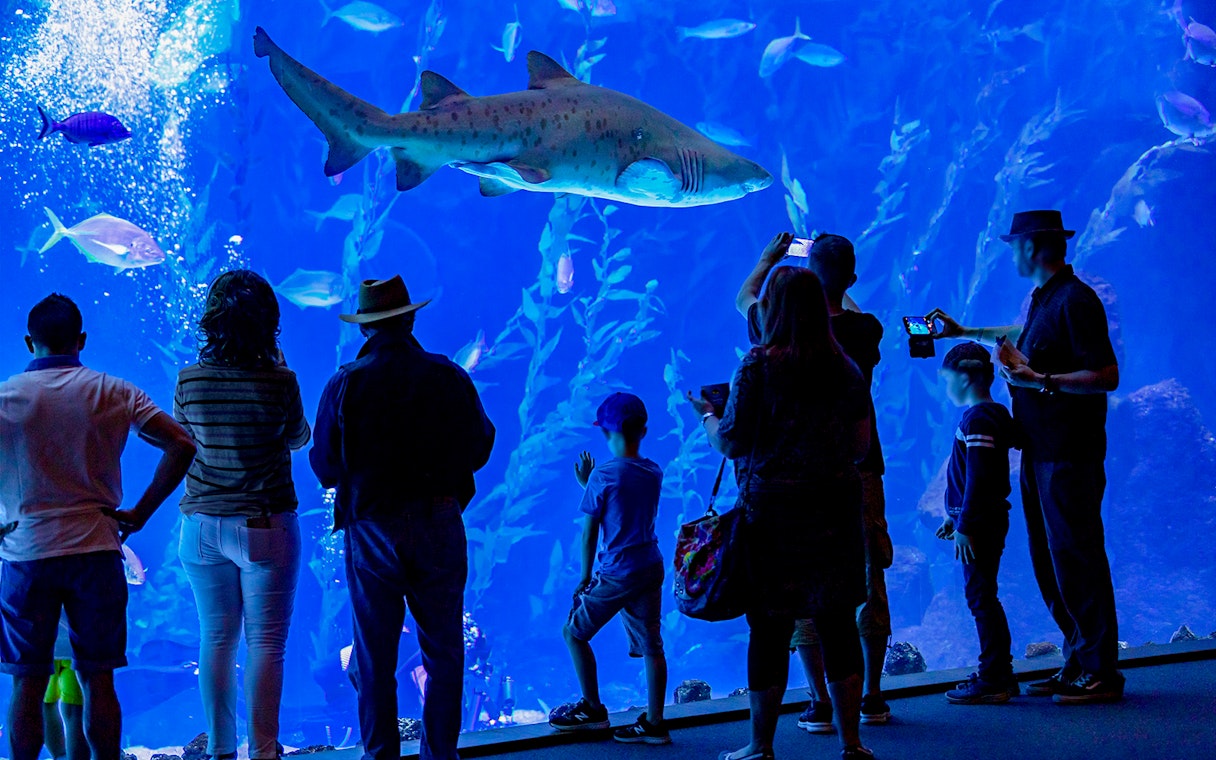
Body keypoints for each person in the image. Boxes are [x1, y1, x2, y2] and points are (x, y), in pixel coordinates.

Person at [928, 209, 1123, 704]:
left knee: (1077, 559)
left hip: (1068, 455)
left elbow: (1106, 375)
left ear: (1033, 246)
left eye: (1014, 244)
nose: (1010, 252)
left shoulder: (1076, 300)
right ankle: (1079, 660)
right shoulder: (1045, 300)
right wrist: (963, 331)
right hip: (1040, 453)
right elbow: (1020, 335)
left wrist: (1040, 380)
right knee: (1052, 562)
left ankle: (1100, 671)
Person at [0, 294, 196, 760]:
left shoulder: (6, 398)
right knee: (97, 678)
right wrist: (141, 513)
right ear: (81, 340)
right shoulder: (113, 391)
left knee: (27, 680)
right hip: (96, 549)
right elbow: (182, 444)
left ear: (29, 342)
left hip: (26, 556)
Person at [692, 268, 875, 760]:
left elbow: (732, 441)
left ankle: (760, 745)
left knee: (769, 630)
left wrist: (709, 417)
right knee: (838, 625)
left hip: (771, 518)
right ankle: (852, 742)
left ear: (771, 309)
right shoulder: (846, 369)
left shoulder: (758, 367)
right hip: (834, 514)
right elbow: (860, 448)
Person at [310, 276, 495, 760]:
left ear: (365, 329)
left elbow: (324, 465)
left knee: (373, 656)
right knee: (445, 651)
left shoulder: (345, 383)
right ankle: (440, 756)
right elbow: (480, 445)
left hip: (372, 527)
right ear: (411, 318)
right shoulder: (448, 376)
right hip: (438, 518)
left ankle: (381, 757)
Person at [737, 232, 894, 729]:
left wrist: (768, 257)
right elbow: (844, 304)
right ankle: (870, 696)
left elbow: (745, 299)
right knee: (863, 578)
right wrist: (834, 280)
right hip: (853, 475)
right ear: (849, 278)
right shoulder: (863, 334)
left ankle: (817, 698)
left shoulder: (773, 340)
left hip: (784, 488)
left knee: (791, 589)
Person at [174, 271, 311, 760]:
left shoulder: (189, 380)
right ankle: (265, 752)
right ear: (267, 321)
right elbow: (299, 438)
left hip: (202, 526)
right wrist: (279, 367)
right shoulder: (281, 381)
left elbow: (183, 443)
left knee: (216, 638)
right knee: (267, 643)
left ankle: (220, 749)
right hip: (264, 523)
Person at [549, 393, 670, 745]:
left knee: (574, 634)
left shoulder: (603, 475)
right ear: (644, 429)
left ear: (605, 431)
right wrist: (591, 485)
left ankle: (591, 708)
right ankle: (655, 723)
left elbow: (590, 532)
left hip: (618, 571)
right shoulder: (653, 471)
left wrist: (585, 576)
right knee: (652, 645)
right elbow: (624, 505)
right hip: (649, 564)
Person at [934, 343, 1020, 704]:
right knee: (983, 595)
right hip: (980, 520)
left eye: (948, 379)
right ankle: (998, 672)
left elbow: (980, 478)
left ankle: (994, 677)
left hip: (981, 525)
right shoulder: (994, 413)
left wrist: (966, 525)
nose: (946, 387)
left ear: (966, 377)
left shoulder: (979, 419)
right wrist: (954, 519)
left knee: (981, 597)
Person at [42, 616, 87, 760]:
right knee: (75, 708)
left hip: (39, 646)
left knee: (45, 704)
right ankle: (75, 757)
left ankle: (60, 755)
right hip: (76, 646)